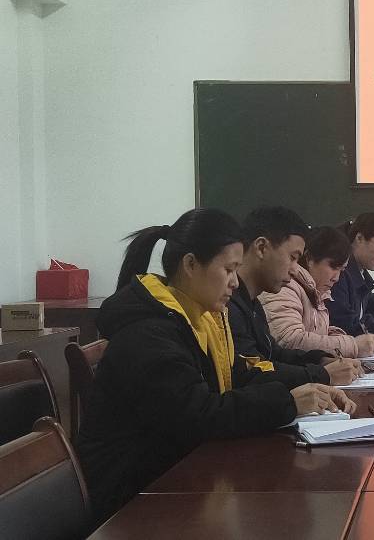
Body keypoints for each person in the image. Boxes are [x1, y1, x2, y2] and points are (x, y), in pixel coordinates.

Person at [76, 208, 356, 524]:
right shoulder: (149, 335)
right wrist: (287, 402)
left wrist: (309, 388)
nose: (235, 282)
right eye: (228, 269)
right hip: (134, 501)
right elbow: (199, 414)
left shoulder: (197, 320)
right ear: (191, 265)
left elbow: (239, 375)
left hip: (174, 478)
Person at [228, 206, 361, 387]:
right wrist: (320, 374)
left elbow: (273, 354)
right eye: (293, 257)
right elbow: (252, 372)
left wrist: (320, 360)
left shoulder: (252, 303)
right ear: (261, 248)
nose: (295, 269)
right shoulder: (229, 306)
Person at [262, 226, 374, 358]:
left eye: (341, 270)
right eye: (333, 267)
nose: (336, 278)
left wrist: (339, 337)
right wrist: (353, 345)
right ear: (310, 259)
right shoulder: (283, 287)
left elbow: (319, 332)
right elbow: (290, 340)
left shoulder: (318, 292)